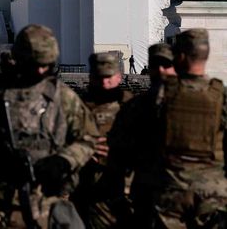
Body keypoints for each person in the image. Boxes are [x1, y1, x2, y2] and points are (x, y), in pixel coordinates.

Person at [0, 25, 97, 228]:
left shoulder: (61, 96)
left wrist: (64, 160)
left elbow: (88, 137)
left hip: (45, 199)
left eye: (46, 65)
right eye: (34, 64)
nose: (40, 71)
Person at [144, 29, 227, 227]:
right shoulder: (220, 95)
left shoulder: (162, 94)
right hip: (213, 192)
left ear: (179, 57)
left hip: (171, 188)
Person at [109, 42, 177, 226]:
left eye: (166, 65)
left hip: (188, 197)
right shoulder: (134, 108)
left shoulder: (206, 103)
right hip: (148, 194)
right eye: (155, 65)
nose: (161, 71)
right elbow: (117, 157)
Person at [72, 52, 133, 228]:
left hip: (125, 189)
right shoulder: (78, 106)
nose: (104, 84)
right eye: (99, 78)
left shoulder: (133, 107)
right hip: (88, 188)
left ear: (118, 77)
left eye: (108, 78)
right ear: (91, 78)